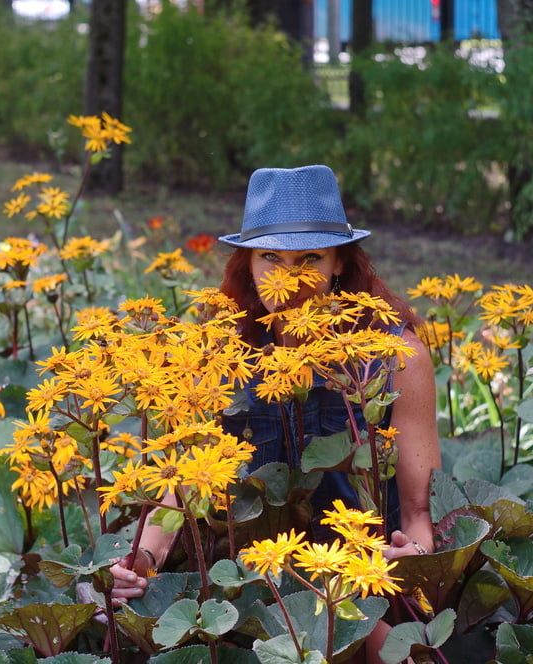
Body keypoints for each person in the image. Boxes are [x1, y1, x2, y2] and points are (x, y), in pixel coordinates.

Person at [110, 165, 441, 661]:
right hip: (254, 588)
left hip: (359, 582)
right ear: (247, 262)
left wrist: (412, 558)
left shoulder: (396, 357)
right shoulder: (217, 354)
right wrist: (143, 558)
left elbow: (418, 513)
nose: (291, 280)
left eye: (310, 257)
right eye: (271, 258)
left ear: (338, 263)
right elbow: (184, 485)